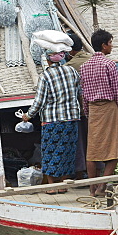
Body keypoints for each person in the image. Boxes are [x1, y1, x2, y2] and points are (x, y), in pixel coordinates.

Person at [23, 51, 83, 193]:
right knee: (67, 151)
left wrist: (28, 115)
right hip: (71, 119)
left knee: (51, 153)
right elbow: (79, 92)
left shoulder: (45, 76)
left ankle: (51, 187)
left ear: (47, 62)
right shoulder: (72, 71)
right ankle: (63, 184)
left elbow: (39, 102)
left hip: (52, 120)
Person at [80, 29, 118, 197]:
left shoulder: (84, 66)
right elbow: (117, 91)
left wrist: (87, 112)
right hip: (109, 108)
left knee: (92, 151)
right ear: (104, 45)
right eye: (110, 43)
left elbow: (84, 93)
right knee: (115, 149)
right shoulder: (109, 65)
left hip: (93, 109)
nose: (111, 46)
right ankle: (102, 185)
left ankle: (92, 189)